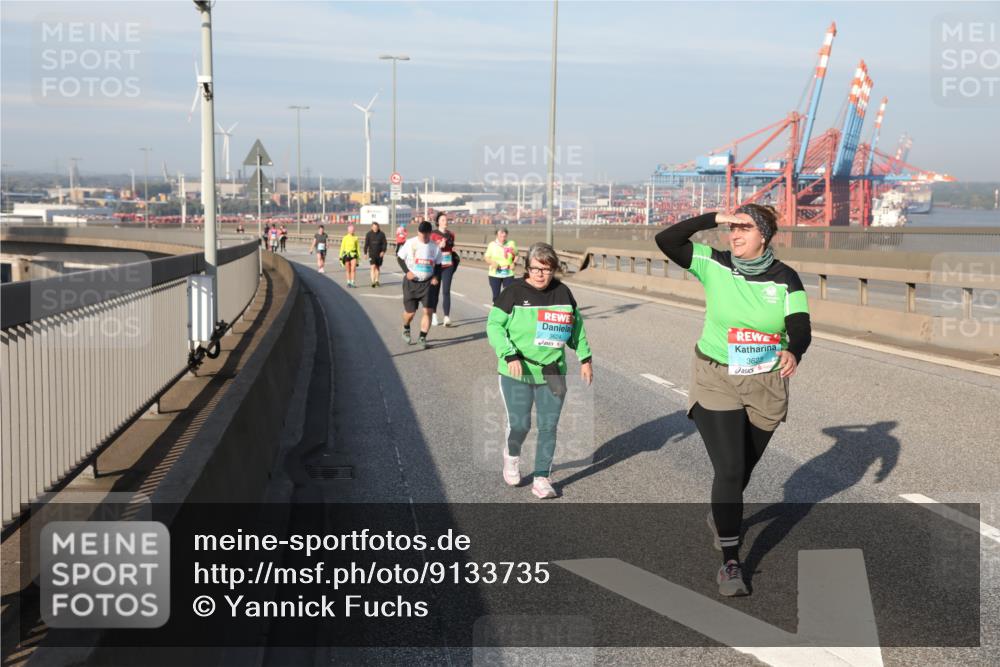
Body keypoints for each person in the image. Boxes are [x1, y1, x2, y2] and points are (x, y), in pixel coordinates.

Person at [654, 204, 811, 597]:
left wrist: (795, 351)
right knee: (729, 467)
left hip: (764, 382)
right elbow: (666, 240)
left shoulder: (786, 279)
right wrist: (714, 219)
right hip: (715, 376)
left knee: (743, 470)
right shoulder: (713, 263)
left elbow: (800, 326)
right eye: (733, 228)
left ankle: (721, 515)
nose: (735, 235)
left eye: (744, 229)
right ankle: (730, 561)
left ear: (765, 236)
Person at [486, 242, 593, 500]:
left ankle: (541, 478)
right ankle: (511, 457)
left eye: (546, 269)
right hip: (517, 369)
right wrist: (508, 354)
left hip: (552, 371)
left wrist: (585, 358)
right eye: (535, 269)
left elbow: (576, 329)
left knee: (548, 426)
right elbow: (494, 326)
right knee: (521, 424)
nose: (540, 274)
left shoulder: (563, 294)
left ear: (554, 269)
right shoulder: (512, 293)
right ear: (527, 269)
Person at [396, 221, 442, 349]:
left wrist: (435, 276)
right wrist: (407, 272)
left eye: (427, 235)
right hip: (411, 283)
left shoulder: (435, 247)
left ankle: (422, 337)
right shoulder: (410, 243)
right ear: (418, 232)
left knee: (428, 311)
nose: (425, 237)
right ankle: (406, 327)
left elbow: (438, 264)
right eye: (422, 235)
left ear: (430, 234)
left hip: (427, 283)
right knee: (410, 313)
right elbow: (399, 258)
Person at [430, 212, 459, 326]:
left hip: (448, 265)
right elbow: (430, 249)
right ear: (438, 222)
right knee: (435, 292)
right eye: (442, 220)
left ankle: (447, 317)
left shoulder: (451, 234)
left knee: (446, 291)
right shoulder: (433, 234)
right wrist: (438, 246)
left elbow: (451, 246)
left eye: (446, 220)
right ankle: (434, 315)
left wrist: (453, 249)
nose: (445, 222)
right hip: (437, 266)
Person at [485, 227, 518, 300]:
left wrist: (514, 263)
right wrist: (492, 262)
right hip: (495, 274)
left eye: (504, 236)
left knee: (509, 294)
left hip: (508, 273)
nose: (503, 238)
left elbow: (517, 255)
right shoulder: (492, 245)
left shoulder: (511, 243)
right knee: (496, 296)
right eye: (501, 236)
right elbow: (487, 257)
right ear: (496, 235)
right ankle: (497, 309)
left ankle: (507, 310)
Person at [364, 222, 388, 287]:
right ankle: (373, 282)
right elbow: (366, 244)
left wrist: (383, 251)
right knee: (372, 266)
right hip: (371, 253)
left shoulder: (382, 234)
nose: (375, 228)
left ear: (378, 227)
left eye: (376, 227)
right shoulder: (368, 234)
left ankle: (377, 280)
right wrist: (365, 253)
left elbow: (385, 244)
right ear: (371, 227)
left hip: (379, 254)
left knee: (377, 267)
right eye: (374, 227)